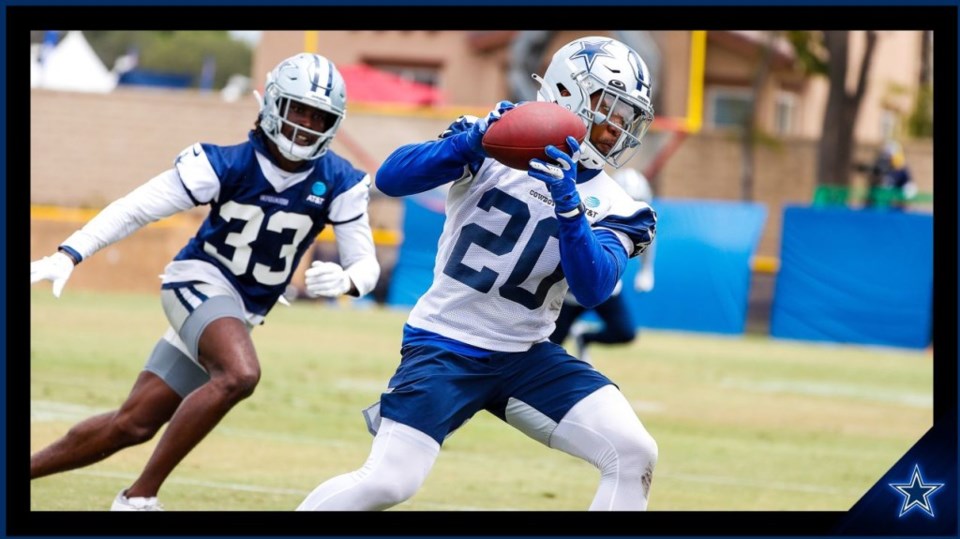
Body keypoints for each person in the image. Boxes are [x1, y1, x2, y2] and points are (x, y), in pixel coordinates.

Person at [297, 36, 659, 512]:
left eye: (625, 114)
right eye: (607, 105)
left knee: (634, 454)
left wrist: (570, 208)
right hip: (446, 341)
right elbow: (390, 178)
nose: (616, 126)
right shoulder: (493, 141)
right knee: (389, 481)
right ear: (567, 92)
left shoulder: (623, 206)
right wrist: (472, 140)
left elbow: (593, 288)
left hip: (526, 354)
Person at [29, 52, 380, 511]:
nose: (307, 125)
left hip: (239, 312)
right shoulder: (225, 163)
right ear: (273, 104)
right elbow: (137, 206)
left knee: (132, 424)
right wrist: (70, 253)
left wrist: (348, 280)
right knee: (240, 374)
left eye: (320, 117)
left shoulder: (340, 181)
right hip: (198, 282)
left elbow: (367, 266)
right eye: (299, 110)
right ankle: (138, 498)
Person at [549, 167, 656, 363]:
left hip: (605, 285)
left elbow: (647, 235)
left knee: (625, 331)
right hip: (568, 290)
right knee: (549, 346)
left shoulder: (635, 217)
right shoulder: (594, 202)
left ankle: (583, 337)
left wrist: (647, 270)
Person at [861, 141, 916, 209]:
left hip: (894, 203)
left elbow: (909, 187)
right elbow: (873, 184)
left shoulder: (901, 169)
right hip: (877, 202)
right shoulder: (880, 167)